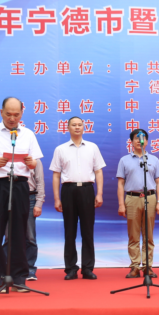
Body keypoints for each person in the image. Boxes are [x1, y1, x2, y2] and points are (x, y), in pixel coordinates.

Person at [0, 97, 42, 292]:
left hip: (21, 186)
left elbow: (34, 163)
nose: (12, 118)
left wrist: (30, 162)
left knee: (19, 234)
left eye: (16, 115)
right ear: (1, 112)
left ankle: (19, 278)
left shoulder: (28, 134)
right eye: (8, 114)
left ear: (22, 113)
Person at [50, 116, 105, 280]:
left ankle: (87, 268)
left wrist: (99, 193)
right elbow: (56, 175)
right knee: (70, 231)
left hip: (87, 190)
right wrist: (57, 198)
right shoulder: (60, 149)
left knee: (88, 231)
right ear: (68, 128)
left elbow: (98, 171)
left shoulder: (92, 147)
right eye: (73, 125)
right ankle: (71, 269)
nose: (77, 127)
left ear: (84, 127)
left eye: (80, 125)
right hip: (68, 190)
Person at [117, 129, 159, 279]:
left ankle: (148, 267)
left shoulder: (154, 160)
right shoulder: (124, 160)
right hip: (132, 198)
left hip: (150, 198)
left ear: (147, 141)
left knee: (148, 235)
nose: (139, 141)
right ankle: (135, 266)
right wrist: (121, 204)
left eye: (142, 138)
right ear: (131, 142)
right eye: (136, 138)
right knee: (133, 235)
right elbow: (120, 183)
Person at [3, 159, 44, 281]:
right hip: (8, 197)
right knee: (8, 236)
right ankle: (7, 269)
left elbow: (40, 182)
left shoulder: (35, 160)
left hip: (29, 197)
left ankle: (29, 268)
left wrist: (39, 203)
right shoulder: (6, 157)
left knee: (30, 236)